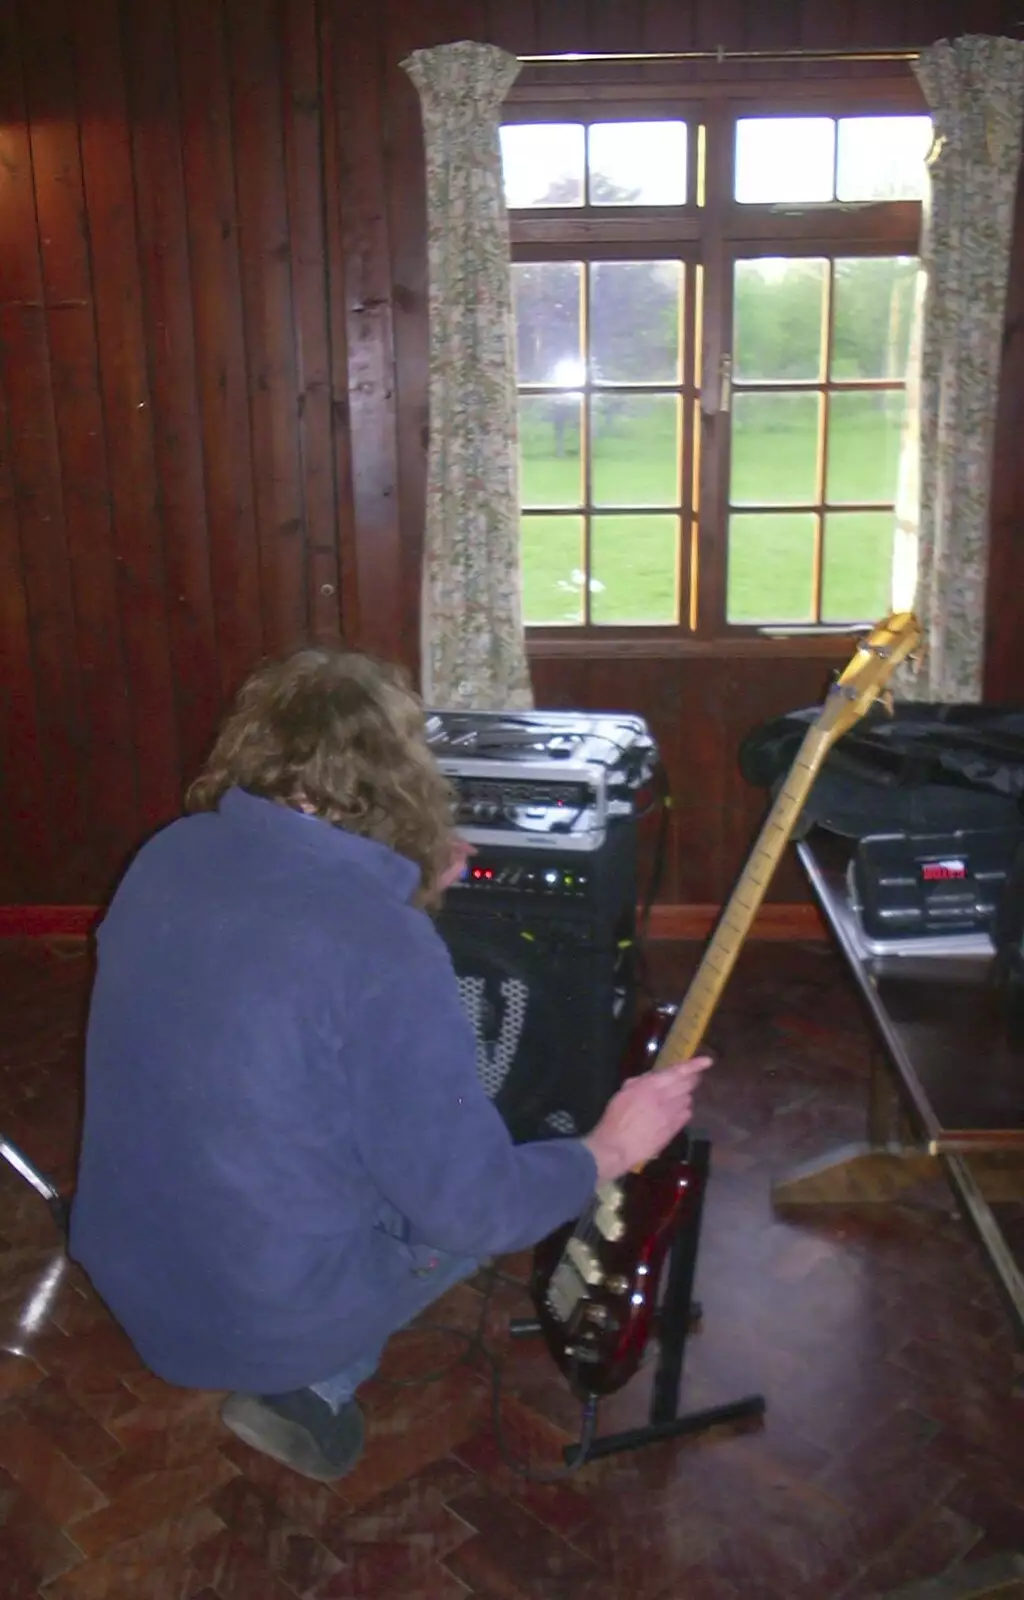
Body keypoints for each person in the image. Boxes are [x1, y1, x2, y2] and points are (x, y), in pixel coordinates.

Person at [69, 650, 710, 1482]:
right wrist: (611, 1149)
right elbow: (473, 1209)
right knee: (495, 1178)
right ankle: (313, 1385)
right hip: (259, 1318)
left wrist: (397, 890)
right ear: (406, 780)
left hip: (131, 1265)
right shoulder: (381, 943)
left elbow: (278, 965)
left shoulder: (172, 851)